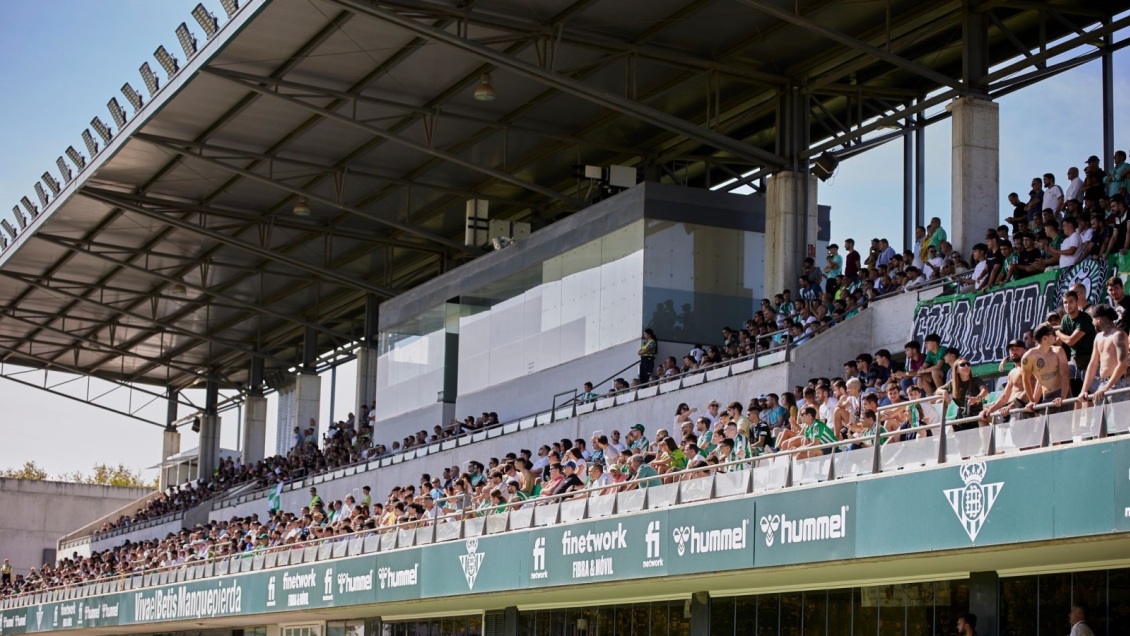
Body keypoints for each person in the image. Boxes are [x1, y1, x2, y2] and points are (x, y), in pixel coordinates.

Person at [1079, 304, 1130, 405]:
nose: (1092, 323)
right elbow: (1093, 364)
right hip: (1102, 384)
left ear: (1099, 319)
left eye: (1093, 319)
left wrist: (1107, 387)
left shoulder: (1118, 335)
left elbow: (1123, 364)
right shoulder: (1098, 337)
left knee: (1121, 420)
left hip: (1118, 383)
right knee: (1099, 419)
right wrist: (1084, 390)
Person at [1021, 322, 1071, 413]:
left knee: (1065, 426)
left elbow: (1065, 375)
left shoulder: (1058, 351)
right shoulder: (1029, 357)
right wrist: (1032, 400)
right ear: (1045, 338)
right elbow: (1026, 380)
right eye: (1052, 333)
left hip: (1063, 392)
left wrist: (1063, 396)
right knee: (1044, 425)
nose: (1055, 335)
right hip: (1047, 396)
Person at [982, 340, 1032, 422]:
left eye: (1017, 349)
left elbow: (1030, 390)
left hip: (1020, 408)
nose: (1014, 352)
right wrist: (991, 410)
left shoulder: (1028, 368)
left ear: (1025, 351)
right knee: (983, 416)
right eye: (1012, 350)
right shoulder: (1012, 372)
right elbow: (1005, 396)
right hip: (1007, 409)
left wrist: (1012, 406)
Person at [1058, 290, 1096, 395]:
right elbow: (1058, 342)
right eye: (1065, 302)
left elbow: (1070, 341)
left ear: (1076, 302)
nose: (1067, 305)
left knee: (1093, 394)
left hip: (1090, 362)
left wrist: (1056, 332)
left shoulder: (1085, 318)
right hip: (1074, 363)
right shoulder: (1065, 318)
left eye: (1071, 302)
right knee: (1054, 373)